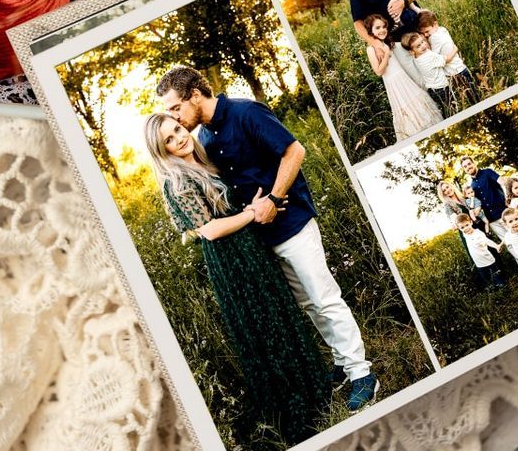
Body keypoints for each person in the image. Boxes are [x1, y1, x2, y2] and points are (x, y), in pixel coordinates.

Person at [156, 67, 379, 411]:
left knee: (324, 298)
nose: (174, 116)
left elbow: (295, 151)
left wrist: (273, 200)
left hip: (292, 223)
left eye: (175, 108)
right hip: (261, 239)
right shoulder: (207, 138)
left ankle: (362, 373)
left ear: (195, 96)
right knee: (307, 303)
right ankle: (342, 361)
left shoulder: (247, 112)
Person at [142, 111, 331, 443]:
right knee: (263, 326)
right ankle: (293, 405)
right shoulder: (178, 180)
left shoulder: (201, 158)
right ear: (163, 152)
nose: (178, 138)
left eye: (177, 129)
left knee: (278, 316)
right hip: (231, 259)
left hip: (249, 248)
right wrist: (250, 213)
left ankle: (313, 387)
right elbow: (211, 231)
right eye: (168, 140)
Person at [364, 14, 444, 140]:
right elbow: (379, 72)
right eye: (377, 28)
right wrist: (385, 54)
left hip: (404, 79)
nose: (382, 30)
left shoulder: (389, 43)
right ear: (370, 31)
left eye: (384, 26)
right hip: (394, 84)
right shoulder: (371, 49)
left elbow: (408, 47)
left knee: (420, 105)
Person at [416, 14, 478, 107]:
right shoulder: (442, 29)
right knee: (474, 96)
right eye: (423, 33)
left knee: (469, 99)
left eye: (427, 31)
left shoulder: (434, 38)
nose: (425, 35)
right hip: (461, 68)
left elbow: (434, 56)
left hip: (455, 73)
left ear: (435, 24)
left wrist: (425, 42)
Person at [398, 31, 460, 112]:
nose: (423, 46)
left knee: (445, 110)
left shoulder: (416, 57)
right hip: (442, 88)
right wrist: (455, 49)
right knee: (453, 109)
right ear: (411, 51)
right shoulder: (429, 56)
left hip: (432, 89)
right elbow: (447, 59)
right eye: (418, 46)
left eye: (422, 42)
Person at [456, 214, 505, 290]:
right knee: (486, 276)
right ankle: (491, 287)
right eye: (462, 227)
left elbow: (487, 241)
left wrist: (496, 246)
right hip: (479, 262)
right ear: (459, 228)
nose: (466, 228)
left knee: (496, 272)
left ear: (471, 222)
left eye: (467, 225)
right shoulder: (465, 234)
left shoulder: (478, 233)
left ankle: (501, 284)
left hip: (487, 258)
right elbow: (458, 224)